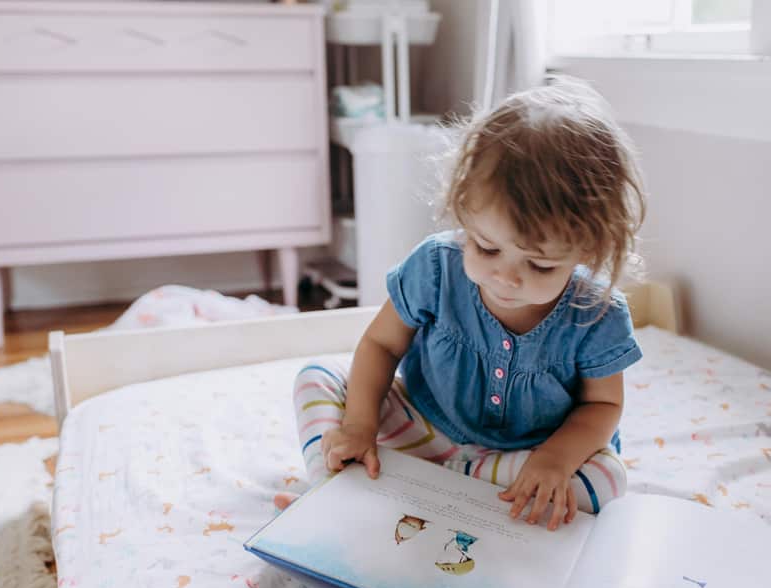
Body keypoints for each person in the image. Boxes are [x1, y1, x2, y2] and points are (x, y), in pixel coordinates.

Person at [277, 78, 647, 531]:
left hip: (523, 457)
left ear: (589, 249)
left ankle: (453, 495)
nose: (507, 277)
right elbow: (380, 345)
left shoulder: (598, 311)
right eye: (487, 248)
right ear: (463, 211)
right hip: (424, 430)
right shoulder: (436, 266)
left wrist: (554, 460)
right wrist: (359, 426)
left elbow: (604, 407)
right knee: (318, 377)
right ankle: (333, 490)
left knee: (607, 478)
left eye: (541, 265)